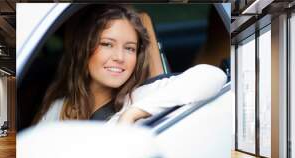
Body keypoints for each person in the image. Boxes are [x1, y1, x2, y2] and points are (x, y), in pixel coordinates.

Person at [34, 4, 227, 125]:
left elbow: (212, 76)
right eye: (107, 44)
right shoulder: (59, 107)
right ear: (84, 50)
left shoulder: (143, 95)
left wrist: (132, 114)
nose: (119, 57)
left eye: (130, 48)